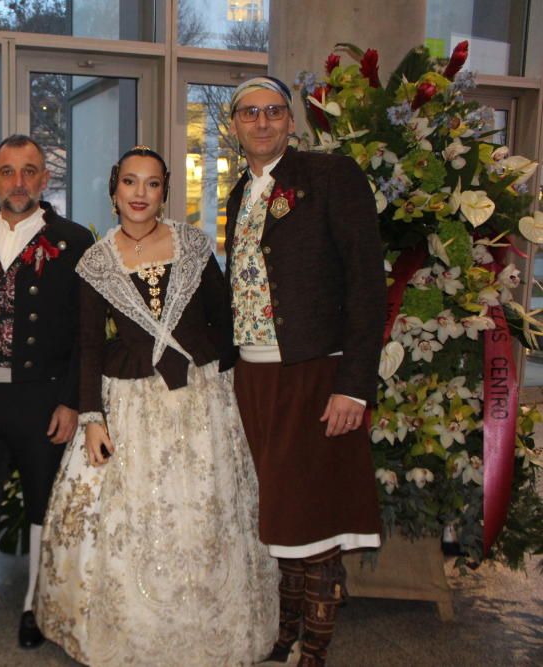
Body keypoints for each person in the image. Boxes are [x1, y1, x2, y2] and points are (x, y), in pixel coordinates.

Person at [35, 146, 278, 666]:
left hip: (198, 398)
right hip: (130, 402)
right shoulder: (96, 261)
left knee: (205, 509)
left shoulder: (192, 244)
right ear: (113, 190)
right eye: (129, 182)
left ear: (164, 190)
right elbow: (89, 345)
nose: (139, 193)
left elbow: (223, 318)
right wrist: (92, 417)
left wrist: (217, 378)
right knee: (137, 517)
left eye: (150, 183)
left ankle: (209, 625)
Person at [224, 76, 385, 666]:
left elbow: (369, 287)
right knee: (283, 515)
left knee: (314, 520)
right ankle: (285, 634)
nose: (261, 122)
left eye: (273, 111)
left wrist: (353, 386)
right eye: (249, 113)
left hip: (316, 375)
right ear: (235, 125)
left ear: (291, 122)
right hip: (256, 377)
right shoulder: (240, 191)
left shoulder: (330, 177)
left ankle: (313, 647)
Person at [0, 134, 93, 648]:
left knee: (40, 504)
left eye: (29, 171)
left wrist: (73, 399)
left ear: (44, 178)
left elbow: (86, 332)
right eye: (7, 172)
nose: (18, 182)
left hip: (42, 397)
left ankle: (35, 603)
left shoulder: (75, 240)